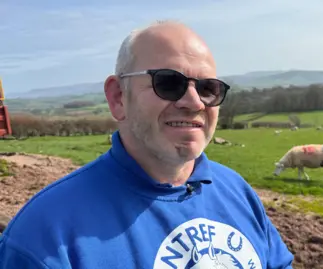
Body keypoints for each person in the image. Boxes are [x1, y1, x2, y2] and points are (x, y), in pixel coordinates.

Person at [0, 20, 294, 268]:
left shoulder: (236, 191)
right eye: (168, 83)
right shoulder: (46, 235)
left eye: (208, 88)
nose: (194, 103)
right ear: (118, 97)